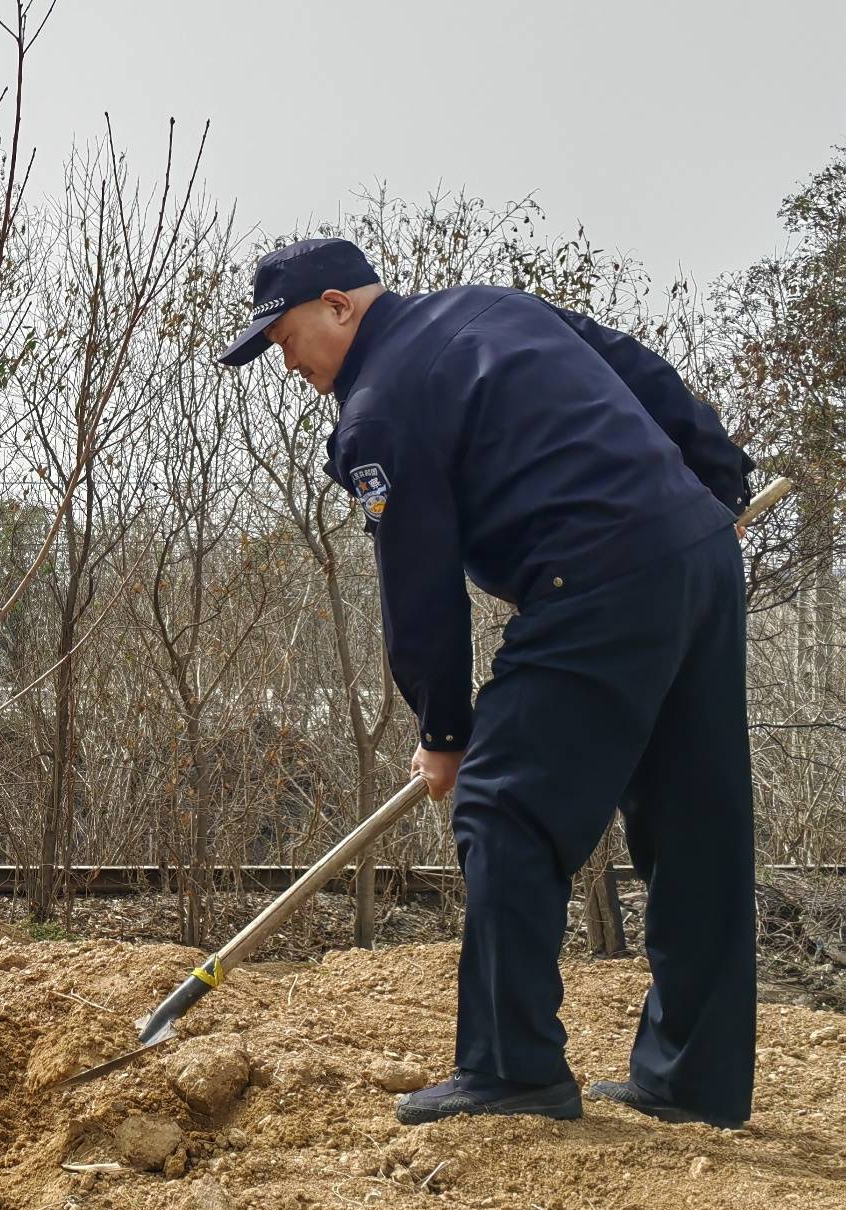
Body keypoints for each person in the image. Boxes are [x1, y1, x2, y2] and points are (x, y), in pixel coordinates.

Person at [218, 238, 756, 1131]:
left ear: (340, 306)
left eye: (285, 338)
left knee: (502, 805)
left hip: (598, 575)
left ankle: (511, 1068)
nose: (288, 363)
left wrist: (444, 730)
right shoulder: (494, 307)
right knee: (695, 822)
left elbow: (419, 587)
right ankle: (694, 1080)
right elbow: (642, 373)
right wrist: (718, 487)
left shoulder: (378, 410)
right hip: (695, 553)